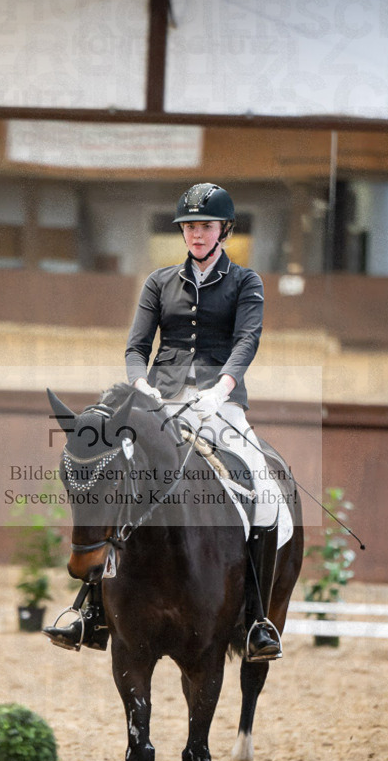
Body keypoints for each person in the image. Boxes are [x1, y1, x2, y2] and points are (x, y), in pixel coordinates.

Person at [44, 183, 283, 660]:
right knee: (115, 479)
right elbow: (136, 347)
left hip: (221, 403)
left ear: (223, 231)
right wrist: (143, 385)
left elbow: (246, 341)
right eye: (190, 227)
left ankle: (256, 619)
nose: (197, 233)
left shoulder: (245, 282)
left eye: (206, 226)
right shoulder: (159, 282)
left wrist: (223, 388)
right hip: (158, 401)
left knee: (265, 491)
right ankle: (91, 612)